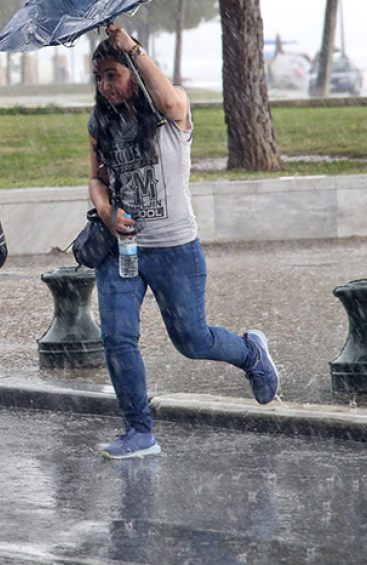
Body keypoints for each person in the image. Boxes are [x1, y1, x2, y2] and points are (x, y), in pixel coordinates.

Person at [86, 24, 279, 459]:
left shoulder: (169, 112)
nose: (105, 85)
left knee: (192, 340)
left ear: (133, 71)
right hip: (122, 249)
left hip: (174, 247)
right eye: (98, 77)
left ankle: (250, 352)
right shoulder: (99, 120)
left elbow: (170, 98)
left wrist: (131, 46)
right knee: (117, 338)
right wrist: (106, 211)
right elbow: (96, 179)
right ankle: (140, 432)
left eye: (113, 74)